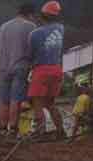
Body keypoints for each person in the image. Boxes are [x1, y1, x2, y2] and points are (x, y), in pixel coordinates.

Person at [0, 3, 37, 135]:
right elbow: (35, 50)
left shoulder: (3, 27)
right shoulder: (31, 27)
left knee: (4, 100)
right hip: (20, 68)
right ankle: (13, 129)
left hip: (3, 68)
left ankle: (3, 129)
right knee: (16, 99)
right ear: (30, 14)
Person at [28, 1, 65, 137]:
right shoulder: (61, 29)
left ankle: (40, 132)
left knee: (37, 103)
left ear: (42, 15)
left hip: (41, 70)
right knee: (50, 103)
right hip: (56, 69)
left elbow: (30, 55)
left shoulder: (35, 34)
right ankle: (61, 130)